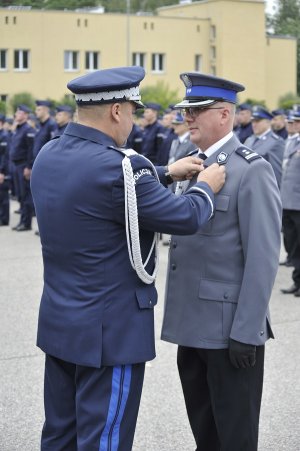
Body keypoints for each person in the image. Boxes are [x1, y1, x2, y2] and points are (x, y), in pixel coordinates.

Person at [30, 66, 226, 451]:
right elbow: (186, 217)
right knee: (105, 439)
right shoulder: (123, 167)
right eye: (133, 112)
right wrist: (205, 187)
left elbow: (101, 181)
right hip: (109, 333)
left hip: (61, 324)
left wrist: (165, 173)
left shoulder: (50, 153)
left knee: (60, 435)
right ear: (116, 111)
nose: (134, 122)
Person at [161, 72, 282, 451]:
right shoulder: (191, 164)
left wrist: (247, 332)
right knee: (206, 435)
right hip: (191, 327)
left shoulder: (251, 169)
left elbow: (263, 259)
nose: (188, 118)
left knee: (235, 438)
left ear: (226, 116)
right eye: (186, 111)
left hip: (229, 333)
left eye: (198, 110)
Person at [280, 110, 300, 295]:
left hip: (298, 202)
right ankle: (297, 280)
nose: (292, 125)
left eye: (296, 122)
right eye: (291, 122)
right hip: (286, 200)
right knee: (291, 241)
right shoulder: (291, 141)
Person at [244, 105, 285, 187]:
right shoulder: (249, 140)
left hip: (263, 188)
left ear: (268, 121)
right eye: (253, 121)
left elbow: (276, 175)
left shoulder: (276, 142)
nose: (254, 124)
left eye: (257, 121)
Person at [10, 105, 36, 231]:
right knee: (20, 195)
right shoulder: (18, 129)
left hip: (23, 165)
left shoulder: (28, 130)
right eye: (17, 112)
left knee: (25, 195)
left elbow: (31, 150)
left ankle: (26, 223)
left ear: (26, 115)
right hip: (16, 165)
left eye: (19, 112)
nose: (17, 115)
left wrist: (29, 167)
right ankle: (22, 221)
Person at [0, 114, 10, 225]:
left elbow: (5, 156)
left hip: (3, 171)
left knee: (3, 196)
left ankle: (4, 219)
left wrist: (2, 171)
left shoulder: (4, 136)